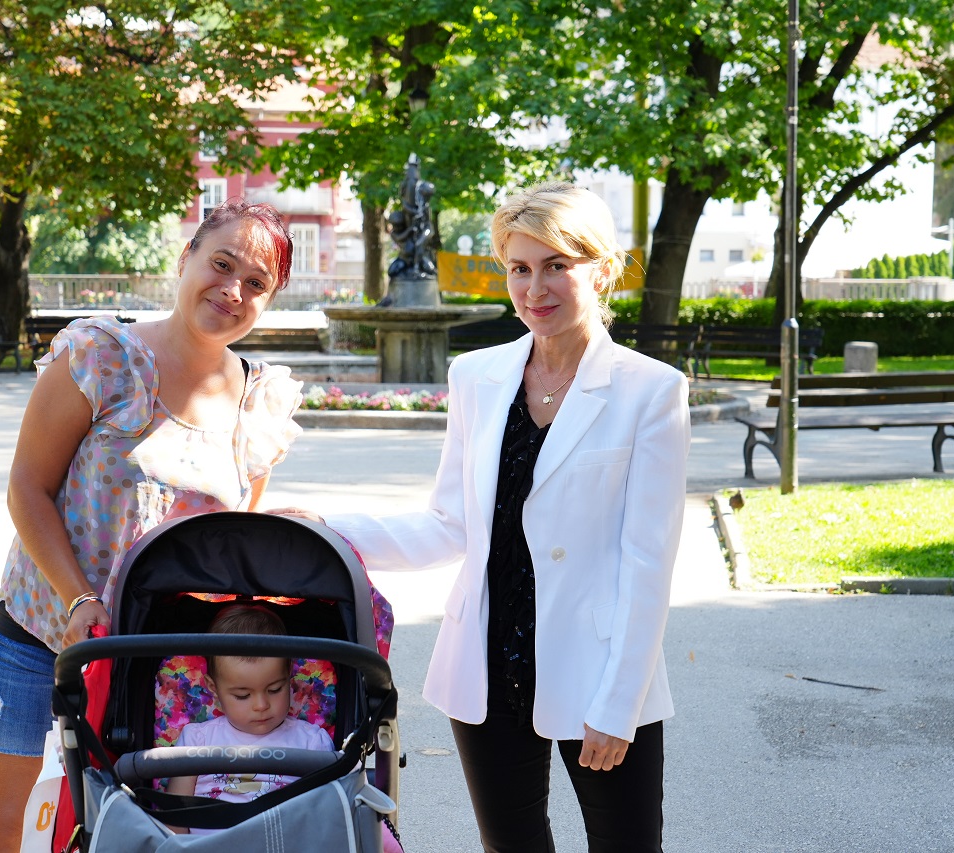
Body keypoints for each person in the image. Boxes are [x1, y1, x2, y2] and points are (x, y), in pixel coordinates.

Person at [276, 182, 690, 852]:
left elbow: (649, 563)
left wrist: (619, 705)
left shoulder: (651, 390)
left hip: (600, 670)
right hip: (487, 664)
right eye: (519, 268)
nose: (535, 288)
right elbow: (449, 524)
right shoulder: (476, 376)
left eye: (557, 265)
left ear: (603, 268)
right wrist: (326, 527)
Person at [0, 199, 304, 853]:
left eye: (256, 283)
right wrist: (78, 598)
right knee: (4, 829)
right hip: (39, 635)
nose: (233, 290)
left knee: (128, 829)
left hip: (155, 660)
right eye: (222, 264)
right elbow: (27, 489)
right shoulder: (101, 356)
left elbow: (232, 545)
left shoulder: (259, 404)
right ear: (186, 258)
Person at [165, 604, 335, 834]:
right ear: (214, 688)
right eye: (242, 695)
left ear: (289, 676)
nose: (261, 705)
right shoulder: (197, 740)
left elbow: (324, 819)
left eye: (275, 689)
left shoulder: (311, 743)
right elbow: (175, 819)